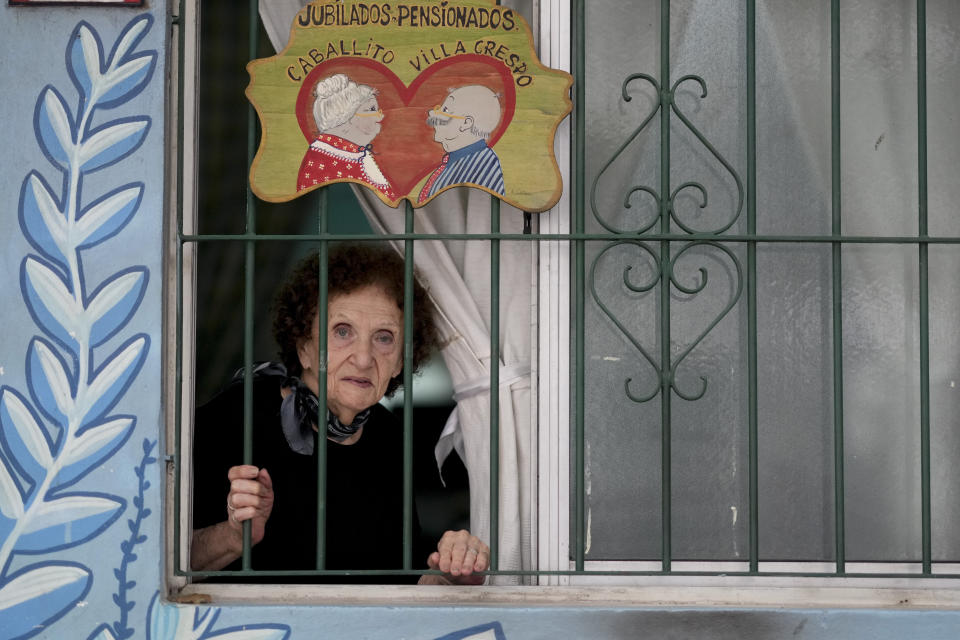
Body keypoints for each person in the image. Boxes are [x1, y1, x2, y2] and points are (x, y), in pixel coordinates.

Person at [191, 244, 489, 584]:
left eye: (384, 338)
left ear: (400, 362)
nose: (363, 358)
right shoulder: (235, 416)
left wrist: (452, 572)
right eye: (342, 331)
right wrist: (233, 537)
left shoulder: (389, 437)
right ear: (303, 346)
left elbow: (397, 580)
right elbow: (162, 560)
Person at [296, 74, 397, 200]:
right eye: (371, 109)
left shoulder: (351, 154)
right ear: (347, 117)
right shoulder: (326, 161)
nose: (380, 116)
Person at [418, 85, 505, 203]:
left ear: (466, 123)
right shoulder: (456, 160)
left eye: (446, 110)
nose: (432, 113)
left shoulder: (481, 163)